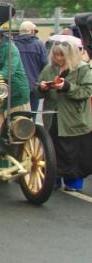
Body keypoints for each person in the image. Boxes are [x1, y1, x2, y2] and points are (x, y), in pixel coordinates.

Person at [37, 41, 92, 192]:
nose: (58, 58)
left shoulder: (82, 69)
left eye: (61, 55)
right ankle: (53, 179)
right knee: (52, 149)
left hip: (74, 117)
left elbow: (87, 91)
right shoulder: (49, 69)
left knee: (73, 151)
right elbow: (37, 89)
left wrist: (66, 87)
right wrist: (41, 88)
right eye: (55, 54)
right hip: (52, 116)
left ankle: (73, 182)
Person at [13, 21, 48, 111]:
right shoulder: (39, 45)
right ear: (32, 31)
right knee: (32, 113)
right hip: (34, 85)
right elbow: (45, 64)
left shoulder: (13, 45)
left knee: (16, 113)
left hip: (16, 85)